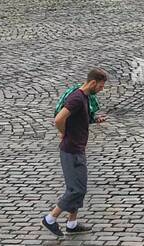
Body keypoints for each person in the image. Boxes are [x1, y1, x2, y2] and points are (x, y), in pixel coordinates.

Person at [42, 66, 109, 237]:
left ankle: (72, 224)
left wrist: (95, 120)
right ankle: (50, 218)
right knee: (75, 190)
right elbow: (59, 119)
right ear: (92, 83)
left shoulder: (85, 97)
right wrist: (64, 133)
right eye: (100, 86)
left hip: (78, 148)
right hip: (71, 150)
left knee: (81, 187)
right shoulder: (77, 98)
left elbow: (79, 118)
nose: (101, 90)